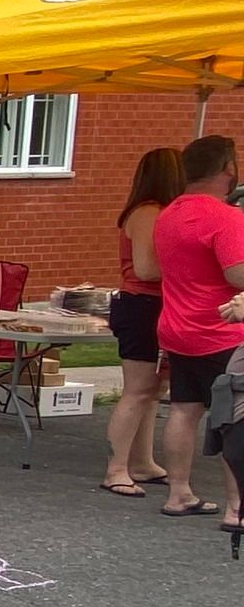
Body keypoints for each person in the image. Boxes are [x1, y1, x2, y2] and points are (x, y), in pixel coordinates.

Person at [153, 134, 244, 522]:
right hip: (223, 328)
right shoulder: (226, 217)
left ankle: (179, 492)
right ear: (227, 169)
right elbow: (237, 274)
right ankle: (236, 506)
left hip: (178, 326)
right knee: (233, 419)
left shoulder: (168, 213)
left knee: (183, 410)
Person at [100, 148, 183, 498]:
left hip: (155, 305)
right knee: (137, 390)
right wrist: (189, 270)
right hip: (142, 304)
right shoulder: (148, 212)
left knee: (152, 390)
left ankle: (143, 460)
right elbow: (147, 269)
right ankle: (116, 467)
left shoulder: (156, 211)